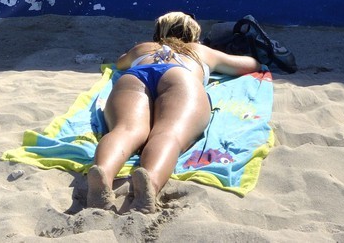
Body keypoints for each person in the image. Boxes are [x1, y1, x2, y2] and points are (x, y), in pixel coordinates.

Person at [86, 11, 260, 214]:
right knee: (169, 133)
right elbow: (249, 65)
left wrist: (137, 54)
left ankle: (104, 173)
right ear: (193, 34)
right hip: (181, 77)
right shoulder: (199, 50)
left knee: (125, 129)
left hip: (136, 76)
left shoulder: (144, 48)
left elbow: (120, 62)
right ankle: (150, 181)